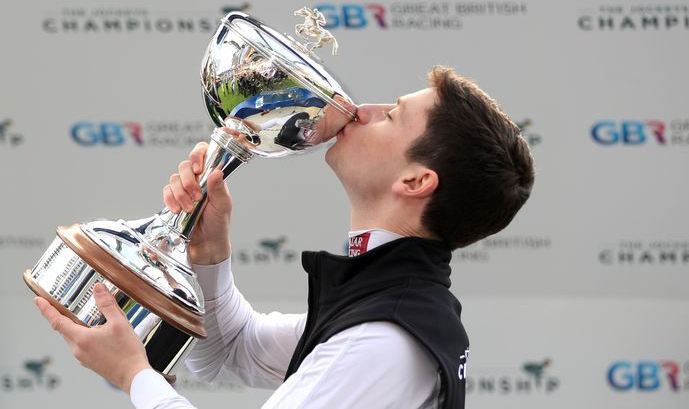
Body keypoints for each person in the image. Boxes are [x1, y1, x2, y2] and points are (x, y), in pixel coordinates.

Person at [35, 65, 535, 408]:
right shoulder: (386, 304)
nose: (362, 109)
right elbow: (229, 352)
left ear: (415, 182)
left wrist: (135, 376)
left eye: (393, 115)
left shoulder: (384, 339)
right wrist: (208, 254)